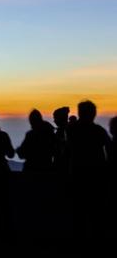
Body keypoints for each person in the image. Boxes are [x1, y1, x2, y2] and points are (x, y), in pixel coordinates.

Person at [67, 101, 110, 238]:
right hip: (97, 177)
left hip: (77, 175)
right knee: (97, 213)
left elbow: (67, 152)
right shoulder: (99, 131)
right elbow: (109, 149)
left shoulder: (72, 130)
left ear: (80, 113)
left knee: (78, 213)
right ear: (93, 114)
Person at [53, 107, 71, 174]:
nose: (54, 120)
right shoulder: (64, 130)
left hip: (63, 167)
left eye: (55, 118)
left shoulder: (64, 131)